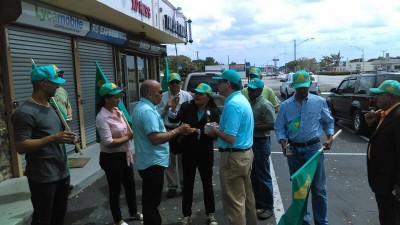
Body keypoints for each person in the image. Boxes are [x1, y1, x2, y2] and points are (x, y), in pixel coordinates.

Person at [12, 64, 77, 225]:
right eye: (55, 82)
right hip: (43, 177)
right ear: (43, 84)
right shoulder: (25, 112)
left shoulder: (50, 106)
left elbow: (53, 135)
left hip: (61, 173)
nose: (58, 86)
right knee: (43, 219)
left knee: (59, 216)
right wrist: (53, 138)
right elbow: (20, 146)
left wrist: (68, 138)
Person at [274, 70, 334, 225]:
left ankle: (321, 222)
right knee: (300, 190)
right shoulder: (285, 106)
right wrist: (282, 142)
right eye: (299, 87)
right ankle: (303, 221)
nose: (302, 90)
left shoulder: (319, 102)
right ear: (293, 86)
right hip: (293, 151)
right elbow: (279, 127)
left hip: (314, 150)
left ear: (309, 85)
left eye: (305, 87)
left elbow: (328, 121)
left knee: (319, 189)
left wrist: (330, 137)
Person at [132, 80, 192, 225]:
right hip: (152, 162)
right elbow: (155, 138)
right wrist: (178, 130)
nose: (162, 94)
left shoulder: (146, 107)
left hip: (149, 161)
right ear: (150, 93)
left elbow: (157, 117)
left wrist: (166, 108)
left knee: (150, 201)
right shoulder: (146, 111)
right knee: (152, 202)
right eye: (159, 92)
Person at [207, 69, 257, 225]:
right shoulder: (242, 100)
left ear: (227, 84)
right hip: (245, 155)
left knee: (234, 204)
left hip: (233, 157)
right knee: (247, 198)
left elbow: (229, 137)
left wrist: (214, 130)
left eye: (220, 82)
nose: (218, 85)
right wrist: (220, 127)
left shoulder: (232, 104)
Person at [168, 83, 220, 225]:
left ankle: (210, 213)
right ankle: (186, 215)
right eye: (195, 93)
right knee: (188, 184)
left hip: (205, 152)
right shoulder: (186, 106)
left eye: (200, 93)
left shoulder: (214, 111)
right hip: (188, 151)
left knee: (207, 183)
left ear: (208, 97)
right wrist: (172, 107)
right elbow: (174, 119)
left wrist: (196, 131)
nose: (196, 95)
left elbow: (214, 134)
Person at [95, 82, 142, 225]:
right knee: (115, 188)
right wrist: (127, 137)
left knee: (130, 184)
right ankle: (118, 219)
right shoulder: (102, 117)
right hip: (111, 158)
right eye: (116, 97)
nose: (119, 99)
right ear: (106, 99)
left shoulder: (118, 111)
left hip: (124, 154)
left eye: (119, 96)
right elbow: (108, 141)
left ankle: (133, 212)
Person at [364, 80, 400, 225]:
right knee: (386, 217)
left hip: (391, 184)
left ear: (392, 97)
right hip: (383, 182)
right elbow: (379, 140)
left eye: (380, 95)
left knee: (391, 219)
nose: (376, 98)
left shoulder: (398, 117)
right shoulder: (386, 114)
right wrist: (369, 123)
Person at [158, 72, 193, 198]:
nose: (175, 85)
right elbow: (158, 115)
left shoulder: (187, 96)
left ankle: (184, 184)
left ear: (181, 83)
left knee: (183, 160)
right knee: (169, 161)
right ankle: (172, 186)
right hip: (168, 130)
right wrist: (167, 107)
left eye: (177, 82)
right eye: (172, 83)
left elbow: (191, 113)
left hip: (182, 131)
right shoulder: (163, 97)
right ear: (168, 84)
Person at [247, 78, 275, 220]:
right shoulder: (251, 103)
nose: (249, 91)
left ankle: (268, 207)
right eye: (249, 89)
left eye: (252, 89)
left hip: (261, 141)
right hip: (251, 142)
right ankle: (258, 203)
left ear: (259, 91)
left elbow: (272, 124)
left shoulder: (265, 104)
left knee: (263, 175)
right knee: (254, 175)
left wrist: (253, 126)